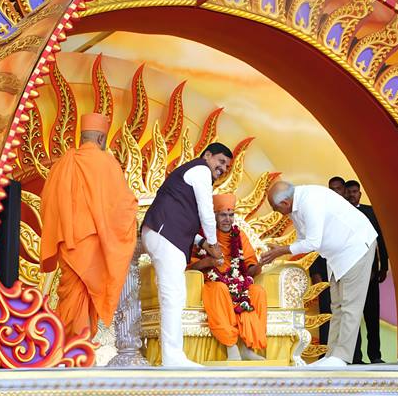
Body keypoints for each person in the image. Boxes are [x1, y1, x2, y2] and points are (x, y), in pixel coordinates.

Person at [39, 112, 138, 339]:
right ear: (101, 139)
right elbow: (123, 206)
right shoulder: (107, 163)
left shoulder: (62, 164)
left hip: (67, 243)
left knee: (70, 296)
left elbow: (47, 202)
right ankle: (77, 346)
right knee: (85, 297)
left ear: (82, 137)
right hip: (92, 246)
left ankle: (66, 346)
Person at [261, 181, 377, 367]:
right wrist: (282, 249)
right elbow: (302, 239)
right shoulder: (294, 207)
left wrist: (281, 251)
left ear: (284, 202)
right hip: (336, 256)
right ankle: (332, 356)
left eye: (276, 208)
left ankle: (342, 357)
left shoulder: (310, 201)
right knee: (337, 306)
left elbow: (313, 242)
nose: (277, 212)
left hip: (355, 247)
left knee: (350, 306)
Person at [141, 142, 233, 367]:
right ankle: (173, 358)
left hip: (163, 234)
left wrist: (202, 242)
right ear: (208, 155)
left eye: (227, 167)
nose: (223, 169)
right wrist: (213, 243)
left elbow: (183, 218)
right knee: (172, 296)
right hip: (164, 234)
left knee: (175, 295)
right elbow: (206, 211)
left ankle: (173, 356)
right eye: (221, 161)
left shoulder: (194, 173)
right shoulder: (201, 169)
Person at [188, 193, 267, 361]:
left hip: (238, 283)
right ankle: (231, 346)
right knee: (220, 289)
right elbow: (190, 267)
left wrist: (260, 265)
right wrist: (208, 262)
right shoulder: (202, 237)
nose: (228, 219)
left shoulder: (240, 236)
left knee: (257, 291)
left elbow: (249, 268)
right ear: (214, 216)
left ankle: (248, 347)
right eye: (223, 215)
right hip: (212, 281)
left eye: (231, 215)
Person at [345, 179, 389, 364]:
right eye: (349, 192)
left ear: (360, 193)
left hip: (370, 274)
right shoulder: (342, 213)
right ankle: (356, 357)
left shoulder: (371, 212)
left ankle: (375, 355)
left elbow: (381, 241)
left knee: (372, 316)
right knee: (352, 317)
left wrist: (383, 266)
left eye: (355, 191)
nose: (352, 195)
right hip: (350, 275)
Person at [309, 176, 347, 346]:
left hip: (347, 271)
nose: (335, 192)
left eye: (338, 189)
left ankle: (353, 356)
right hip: (325, 274)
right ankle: (325, 352)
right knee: (326, 313)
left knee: (348, 313)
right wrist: (315, 273)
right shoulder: (321, 214)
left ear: (344, 191)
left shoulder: (352, 213)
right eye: (332, 189)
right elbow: (314, 244)